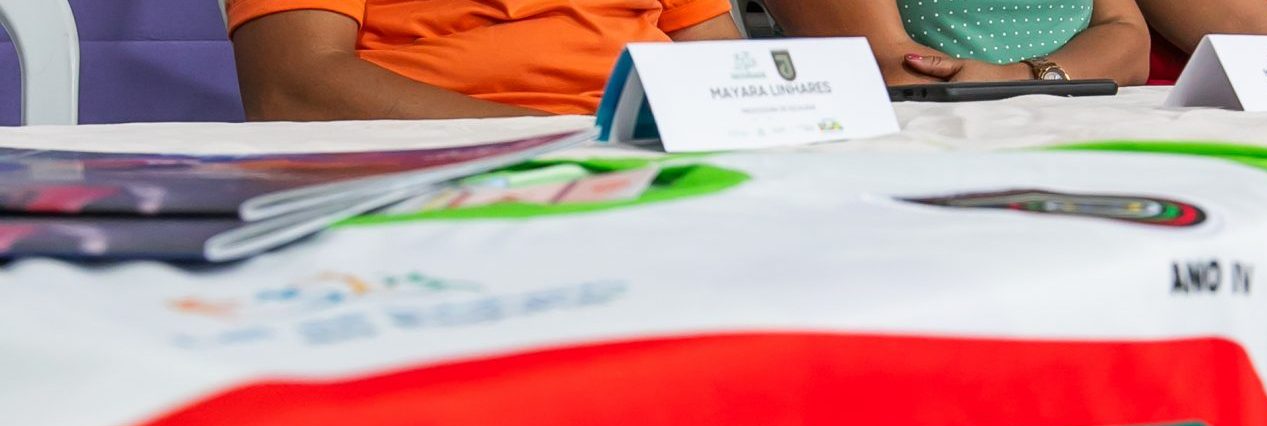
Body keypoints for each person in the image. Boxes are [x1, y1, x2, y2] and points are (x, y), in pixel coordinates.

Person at [228, 0, 740, 119]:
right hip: (451, 161)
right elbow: (290, 86)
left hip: (656, 151)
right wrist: (569, 141)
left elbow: (718, 56)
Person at [765, 0, 1150, 89]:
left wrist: (1022, 77)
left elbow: (1128, 38)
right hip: (917, 147)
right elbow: (891, 67)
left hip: (1079, 132)